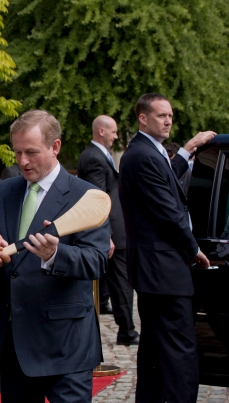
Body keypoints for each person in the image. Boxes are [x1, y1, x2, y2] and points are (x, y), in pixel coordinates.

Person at [0, 110, 110, 403]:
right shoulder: (2, 192)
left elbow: (97, 261)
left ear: (55, 147)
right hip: (12, 342)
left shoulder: (86, 196)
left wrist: (55, 255)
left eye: (32, 152)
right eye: (18, 152)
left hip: (66, 343)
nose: (22, 161)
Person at [118, 93, 216, 403]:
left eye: (170, 115)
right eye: (161, 115)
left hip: (156, 271)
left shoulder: (147, 152)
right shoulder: (143, 155)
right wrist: (193, 249)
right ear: (143, 118)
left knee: (156, 351)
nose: (169, 120)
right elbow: (168, 210)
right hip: (163, 271)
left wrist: (187, 149)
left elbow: (165, 181)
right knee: (178, 354)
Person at [77, 115, 139, 346]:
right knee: (122, 282)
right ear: (101, 131)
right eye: (113, 132)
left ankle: (119, 320)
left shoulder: (99, 155)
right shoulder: (94, 157)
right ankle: (128, 331)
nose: (115, 136)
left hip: (114, 228)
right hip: (111, 230)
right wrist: (107, 234)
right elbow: (98, 197)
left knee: (118, 280)